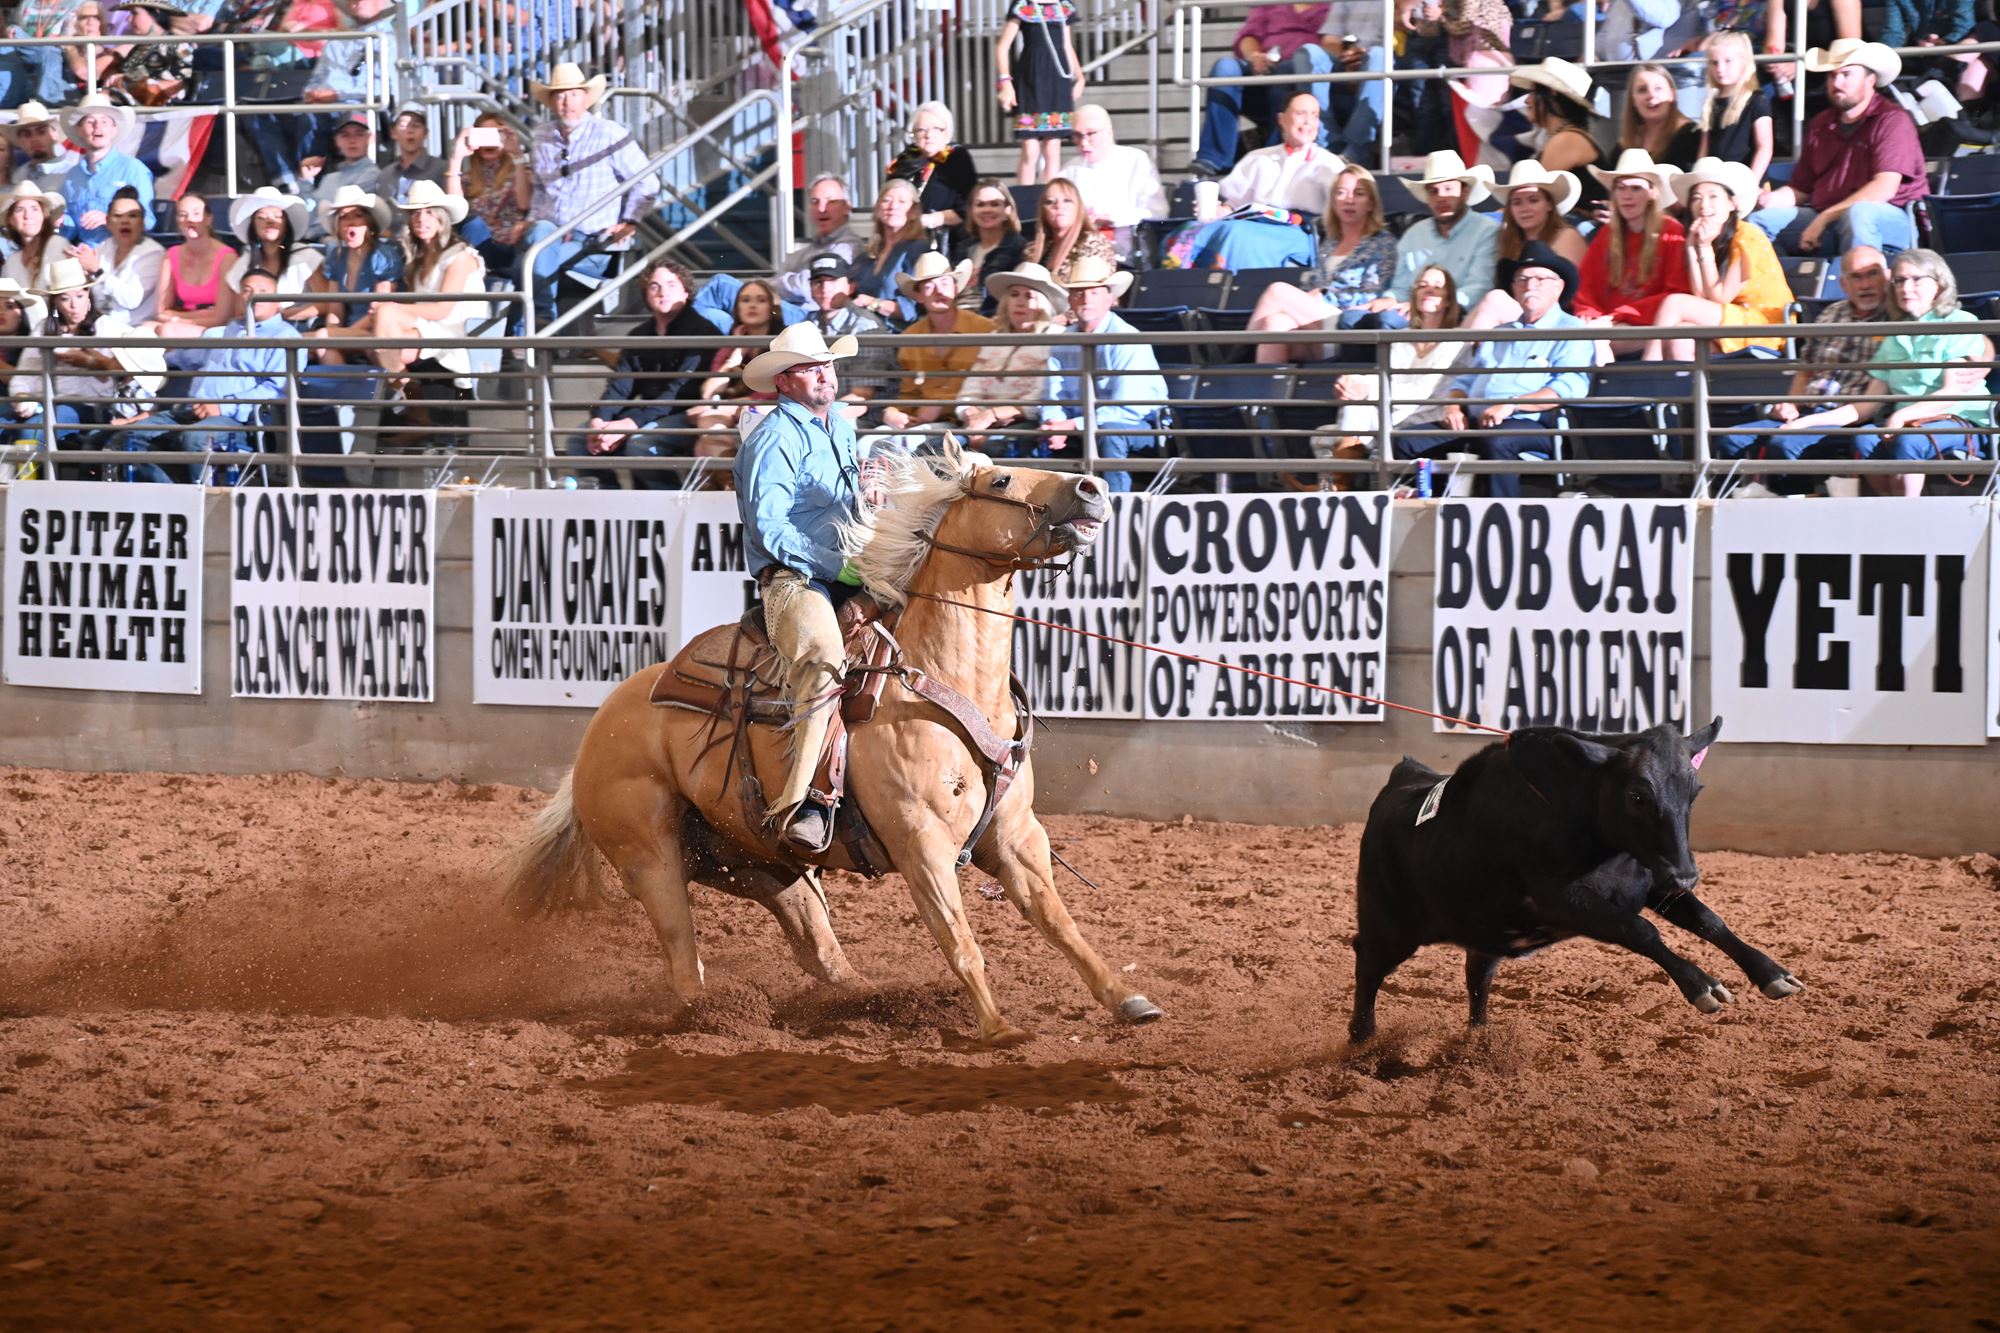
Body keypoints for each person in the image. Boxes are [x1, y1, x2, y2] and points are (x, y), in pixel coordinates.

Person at [732, 321, 867, 852]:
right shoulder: (774, 437)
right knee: (824, 659)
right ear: (783, 382)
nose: (823, 376)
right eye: (809, 369)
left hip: (844, 565)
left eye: (827, 365)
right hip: (793, 579)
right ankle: (804, 799)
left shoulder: (844, 428)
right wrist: (838, 566)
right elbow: (770, 526)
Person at [109, 266, 304, 483]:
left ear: (277, 299)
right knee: (128, 437)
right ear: (240, 297)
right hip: (189, 411)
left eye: (263, 290)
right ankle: (173, 497)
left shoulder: (287, 338)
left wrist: (223, 406)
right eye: (247, 290)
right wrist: (137, 360)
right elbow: (177, 360)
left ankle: (202, 503)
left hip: (239, 421)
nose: (254, 296)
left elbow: (276, 391)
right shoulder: (222, 332)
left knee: (195, 439)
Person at [1710, 244, 1887, 477]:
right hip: (1808, 410)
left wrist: (1808, 422)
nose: (1865, 285)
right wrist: (1791, 405)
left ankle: (1789, 504)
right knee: (1731, 440)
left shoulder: (1893, 318)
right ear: (1844, 284)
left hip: (1848, 419)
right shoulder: (1831, 314)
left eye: (1872, 274)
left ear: (1887, 276)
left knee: (1785, 447)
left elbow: (1868, 406)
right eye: (1856, 277)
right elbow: (1806, 370)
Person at [1438, 241, 1594, 498]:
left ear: (1559, 286)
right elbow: (1464, 382)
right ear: (1513, 288)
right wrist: (1453, 407)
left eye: (1540, 278)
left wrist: (1512, 404)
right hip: (1476, 421)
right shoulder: (1499, 333)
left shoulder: (1571, 331)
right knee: (1407, 439)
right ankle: (1418, 513)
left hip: (1535, 424)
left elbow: (1567, 388)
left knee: (1498, 441)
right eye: (1521, 279)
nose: (1529, 285)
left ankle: (1502, 519)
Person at [1747, 40, 1925, 258]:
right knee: (1758, 223)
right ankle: (1776, 291)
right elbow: (1801, 189)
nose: (1837, 82)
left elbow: (1884, 188)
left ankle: (1862, 286)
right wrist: (1771, 200)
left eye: (1847, 74)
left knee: (1859, 213)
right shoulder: (1820, 123)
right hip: (1828, 216)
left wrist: (1825, 218)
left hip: (1889, 217)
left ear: (1871, 80)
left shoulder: (1892, 120)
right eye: (1832, 75)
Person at [1837, 249, 1988, 497]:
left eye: (1917, 279)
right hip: (1907, 423)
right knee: (1864, 440)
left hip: (1958, 418)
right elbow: (1868, 403)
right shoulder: (1896, 334)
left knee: (1909, 441)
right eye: (1899, 280)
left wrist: (1901, 417)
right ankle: (1892, 509)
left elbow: (1952, 393)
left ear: (1938, 286)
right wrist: (1807, 423)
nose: (1906, 288)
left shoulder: (1960, 322)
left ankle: (1910, 515)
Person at [561, 256, 717, 489]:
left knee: (641, 445)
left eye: (671, 285)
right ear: (646, 294)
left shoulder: (703, 332)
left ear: (686, 292)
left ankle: (667, 512)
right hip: (647, 414)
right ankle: (611, 511)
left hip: (686, 414)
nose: (662, 292)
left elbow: (678, 394)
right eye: (654, 286)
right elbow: (619, 385)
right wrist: (600, 420)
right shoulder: (640, 334)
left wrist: (628, 424)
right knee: (578, 440)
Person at [522, 62, 658, 328]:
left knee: (528, 264)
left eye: (574, 94)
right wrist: (534, 222)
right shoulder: (541, 136)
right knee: (535, 243)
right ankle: (540, 323)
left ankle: (535, 326)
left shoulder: (609, 133)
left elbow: (647, 182)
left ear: (586, 98)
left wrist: (630, 221)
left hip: (594, 239)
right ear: (550, 101)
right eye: (560, 95)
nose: (567, 102)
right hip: (551, 233)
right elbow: (538, 190)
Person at [1317, 263, 1470, 487]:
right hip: (1392, 408)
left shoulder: (1459, 340)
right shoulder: (1400, 339)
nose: (1429, 290)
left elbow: (1428, 389)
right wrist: (1353, 383)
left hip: (1427, 412)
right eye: (1422, 285)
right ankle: (1339, 482)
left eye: (1438, 286)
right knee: (1356, 403)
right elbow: (1389, 383)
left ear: (1448, 299)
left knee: (1356, 407)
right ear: (1414, 296)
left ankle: (1337, 481)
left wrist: (1365, 386)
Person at [9, 256, 161, 477]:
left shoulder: (108, 327)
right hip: (46, 402)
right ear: (55, 302)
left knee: (38, 427)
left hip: (90, 405)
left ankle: (24, 487)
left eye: (80, 296)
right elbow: (26, 373)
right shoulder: (44, 329)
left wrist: (94, 362)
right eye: (65, 298)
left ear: (88, 295)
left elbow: (135, 363)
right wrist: (23, 396)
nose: (74, 305)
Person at [1247, 163, 1398, 363]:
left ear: (1371, 203)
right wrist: (1313, 295)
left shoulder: (1383, 243)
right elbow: (1313, 285)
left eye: (1359, 193)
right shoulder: (1330, 243)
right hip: (1318, 324)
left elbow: (1376, 295)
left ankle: (1230, 351)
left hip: (1348, 323)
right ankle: (1265, 390)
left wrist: (1326, 297)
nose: (1349, 200)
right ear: (1333, 201)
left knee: (1277, 291)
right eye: (1341, 193)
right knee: (1276, 322)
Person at [1177, 92, 1344, 271]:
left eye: (1314, 115)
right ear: (1282, 119)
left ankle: (1222, 290)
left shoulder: (1329, 164)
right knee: (1190, 230)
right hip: (1252, 222)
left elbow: (1338, 218)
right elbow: (1234, 203)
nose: (1308, 122)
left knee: (1236, 234)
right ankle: (1178, 292)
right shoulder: (1258, 157)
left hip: (1299, 232)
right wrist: (1220, 211)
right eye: (1301, 113)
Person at [1040, 254, 1166, 492]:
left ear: (1110, 299)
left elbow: (1127, 410)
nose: (1086, 298)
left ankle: (1116, 510)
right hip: (1081, 423)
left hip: (1141, 424)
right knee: (1034, 434)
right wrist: (1053, 423)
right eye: (1079, 292)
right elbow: (1050, 395)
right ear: (1071, 300)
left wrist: (1069, 426)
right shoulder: (1061, 342)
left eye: (1094, 292)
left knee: (1111, 435)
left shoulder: (1127, 340)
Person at [1644, 158, 1788, 361]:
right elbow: (1701, 295)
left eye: (1713, 196)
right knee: (1680, 336)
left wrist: (1702, 249)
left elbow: (1720, 298)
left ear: (1732, 203)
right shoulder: (1710, 236)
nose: (1704, 205)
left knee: (1674, 303)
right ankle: (1678, 388)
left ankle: (1648, 366)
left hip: (1763, 323)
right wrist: (1692, 248)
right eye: (1696, 198)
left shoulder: (1748, 236)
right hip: (1729, 319)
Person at [1188, 2, 1335, 178]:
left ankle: (1272, 154)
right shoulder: (1271, 4)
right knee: (1225, 67)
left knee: (1286, 71)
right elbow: (1248, 36)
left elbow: (1333, 46)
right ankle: (1214, 157)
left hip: (1300, 81)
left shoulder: (1332, 6)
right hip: (1263, 72)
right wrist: (1255, 57)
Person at [1359, 150, 1500, 320]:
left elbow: (1478, 287)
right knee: (1353, 319)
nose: (1441, 197)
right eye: (1434, 191)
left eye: (1448, 189)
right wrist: (1389, 299)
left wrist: (1429, 305)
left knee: (1386, 320)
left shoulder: (1487, 231)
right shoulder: (1415, 233)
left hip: (1461, 317)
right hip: (1413, 313)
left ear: (1465, 192)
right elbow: (1401, 287)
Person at [1574, 148, 1687, 343]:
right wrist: (1589, 314)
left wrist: (1616, 317)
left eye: (1636, 188)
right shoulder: (1608, 234)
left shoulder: (1671, 231)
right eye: (1621, 188)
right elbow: (1585, 286)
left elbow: (1676, 292)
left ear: (1652, 193)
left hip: (1648, 326)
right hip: (1605, 325)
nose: (1627, 196)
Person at [1459, 159, 1586, 328]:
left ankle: (1449, 352)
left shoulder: (1566, 236)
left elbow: (1570, 295)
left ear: (1549, 204)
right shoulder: (1507, 241)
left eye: (1533, 200)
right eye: (1517, 202)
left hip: (1559, 320)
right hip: (1519, 319)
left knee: (1495, 299)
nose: (1524, 208)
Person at [955, 262, 1064, 453]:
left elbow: (1043, 395)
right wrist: (971, 415)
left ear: (1043, 304)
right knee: (935, 448)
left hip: (1027, 422)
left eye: (1029, 296)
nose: (1020, 302)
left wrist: (994, 414)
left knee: (996, 449)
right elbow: (970, 390)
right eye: (1014, 295)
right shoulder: (994, 338)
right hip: (980, 420)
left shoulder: (1055, 337)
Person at [885, 250, 994, 430]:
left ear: (955, 288)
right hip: (920, 421)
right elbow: (908, 393)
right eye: (929, 286)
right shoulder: (911, 337)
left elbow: (989, 387)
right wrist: (892, 412)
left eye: (945, 283)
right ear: (919, 296)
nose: (939, 291)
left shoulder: (985, 330)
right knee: (868, 443)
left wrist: (942, 405)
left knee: (905, 441)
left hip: (967, 421)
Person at [688, 275, 787, 467]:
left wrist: (730, 405)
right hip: (738, 411)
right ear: (737, 308)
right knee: (709, 424)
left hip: (771, 410)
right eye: (745, 300)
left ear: (772, 307)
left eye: (761, 300)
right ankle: (732, 483)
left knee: (704, 444)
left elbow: (773, 391)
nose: (752, 306)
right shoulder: (732, 344)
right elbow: (708, 391)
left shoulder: (783, 342)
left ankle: (733, 483)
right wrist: (736, 354)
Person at [1056, 104, 1167, 264]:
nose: (1084, 143)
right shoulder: (1069, 170)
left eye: (1091, 134)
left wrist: (1113, 218)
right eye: (1077, 136)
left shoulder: (1136, 160)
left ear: (1109, 132)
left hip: (1127, 248)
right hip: (1079, 250)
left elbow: (1157, 212)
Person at [800, 252, 895, 427]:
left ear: (851, 287)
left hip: (859, 420)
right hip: (811, 413)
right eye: (818, 282)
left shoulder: (866, 327)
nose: (825, 288)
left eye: (833, 281)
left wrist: (811, 417)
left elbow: (862, 398)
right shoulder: (805, 324)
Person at [995, 0, 1084, 186]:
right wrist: (1005, 82)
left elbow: (1067, 46)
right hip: (1030, 79)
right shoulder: (1023, 5)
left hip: (1057, 79)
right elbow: (1002, 47)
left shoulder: (1064, 6)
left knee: (1053, 149)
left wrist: (1079, 77)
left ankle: (1048, 201)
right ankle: (1024, 204)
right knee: (1030, 149)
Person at [305, 184, 402, 344]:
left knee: (308, 340)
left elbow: (378, 310)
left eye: (357, 215)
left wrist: (337, 336)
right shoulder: (335, 253)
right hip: (346, 332)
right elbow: (335, 309)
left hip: (377, 330)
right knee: (321, 346)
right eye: (343, 216)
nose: (350, 222)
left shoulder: (384, 254)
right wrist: (333, 332)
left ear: (369, 222)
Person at [1510, 59, 1609, 215]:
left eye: (1533, 92)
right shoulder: (1569, 136)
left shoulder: (1567, 140)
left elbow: (1531, 194)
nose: (1527, 100)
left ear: (1551, 93)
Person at [60, 93, 153, 247]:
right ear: (79, 130)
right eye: (90, 122)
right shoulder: (72, 176)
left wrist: (111, 220)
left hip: (120, 253)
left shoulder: (134, 169)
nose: (98, 127)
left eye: (104, 121)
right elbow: (70, 230)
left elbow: (148, 221)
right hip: (82, 254)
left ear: (113, 129)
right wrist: (61, 221)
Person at [445, 111, 530, 275]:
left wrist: (517, 155)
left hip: (508, 246)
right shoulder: (468, 178)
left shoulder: (519, 171)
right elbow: (454, 209)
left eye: (495, 135)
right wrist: (456, 158)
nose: (488, 142)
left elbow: (523, 203)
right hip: (474, 246)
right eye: (483, 135)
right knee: (472, 223)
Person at [223, 186, 322, 324]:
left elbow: (326, 304)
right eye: (261, 217)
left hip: (299, 329)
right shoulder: (244, 263)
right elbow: (238, 311)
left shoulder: (306, 257)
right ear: (253, 226)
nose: (270, 222)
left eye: (277, 216)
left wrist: (285, 316)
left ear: (286, 223)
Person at [773, 174, 867, 309]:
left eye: (831, 201)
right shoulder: (804, 252)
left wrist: (771, 284)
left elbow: (805, 287)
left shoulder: (849, 247)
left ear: (847, 207)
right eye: (815, 201)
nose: (821, 209)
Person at [74, 184, 162, 323]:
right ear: (108, 222)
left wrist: (97, 271)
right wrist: (79, 264)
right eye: (118, 216)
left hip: (133, 330)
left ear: (142, 223)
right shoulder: (105, 246)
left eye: (132, 216)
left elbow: (132, 299)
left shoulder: (153, 253)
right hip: (97, 325)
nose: (125, 221)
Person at [884, 101, 976, 232]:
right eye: (921, 130)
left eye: (936, 129)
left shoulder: (957, 157)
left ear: (947, 133)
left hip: (944, 239)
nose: (929, 135)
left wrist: (929, 220)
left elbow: (968, 207)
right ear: (913, 134)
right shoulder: (905, 159)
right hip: (902, 234)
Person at [151, 193, 236, 334]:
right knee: (144, 329)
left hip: (216, 329)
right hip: (181, 324)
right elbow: (160, 312)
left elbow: (222, 317)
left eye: (196, 214)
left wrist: (177, 319)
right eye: (183, 215)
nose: (189, 220)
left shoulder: (227, 257)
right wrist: (197, 315)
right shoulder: (171, 255)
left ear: (208, 218)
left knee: (167, 330)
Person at [846, 179, 927, 323]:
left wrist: (873, 303)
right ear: (877, 209)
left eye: (902, 202)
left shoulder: (917, 250)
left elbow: (913, 310)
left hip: (897, 336)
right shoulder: (871, 251)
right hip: (865, 330)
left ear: (914, 212)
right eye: (886, 200)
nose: (893, 206)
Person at [1699, 31, 1773, 185]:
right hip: (1717, 184)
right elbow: (1704, 151)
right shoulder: (1710, 102)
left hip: (1747, 182)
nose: (1720, 68)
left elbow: (1765, 148)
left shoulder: (1757, 101)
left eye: (1728, 61)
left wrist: (1750, 185)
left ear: (1743, 62)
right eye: (1714, 62)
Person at [946, 178, 1025, 309]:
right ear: (971, 210)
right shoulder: (962, 248)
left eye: (994, 204)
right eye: (980, 205)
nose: (987, 210)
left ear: (1008, 210)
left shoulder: (1019, 248)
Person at [1019, 176, 1112, 287]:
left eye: (1067, 201)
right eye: (1050, 202)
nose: (1059, 206)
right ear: (1043, 211)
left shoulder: (1092, 241)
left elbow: (1090, 294)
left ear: (1079, 208)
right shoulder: (1033, 249)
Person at [298, 112, 380, 237]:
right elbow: (308, 213)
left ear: (370, 138)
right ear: (337, 141)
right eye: (345, 135)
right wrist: (305, 180)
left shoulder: (374, 175)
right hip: (313, 239)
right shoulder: (329, 178)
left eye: (359, 134)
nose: (352, 140)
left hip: (341, 239)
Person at [372, 104, 447, 230]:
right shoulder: (384, 175)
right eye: (403, 125)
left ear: (426, 133)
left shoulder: (442, 169)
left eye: (416, 126)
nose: (410, 130)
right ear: (393, 133)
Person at [1617, 62, 1701, 171]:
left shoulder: (1692, 135)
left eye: (1658, 88)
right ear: (1633, 100)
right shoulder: (1625, 142)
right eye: (1642, 90)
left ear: (1672, 95)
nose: (1651, 95)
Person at [0, 180, 71, 291]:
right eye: (20, 210)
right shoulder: (11, 262)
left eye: (34, 209)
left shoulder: (57, 245)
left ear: (44, 215)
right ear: (10, 220)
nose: (28, 216)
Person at [0, 101, 77, 194]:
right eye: (27, 134)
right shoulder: (18, 175)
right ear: (20, 141)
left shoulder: (71, 173)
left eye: (41, 132)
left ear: (55, 134)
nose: (34, 139)